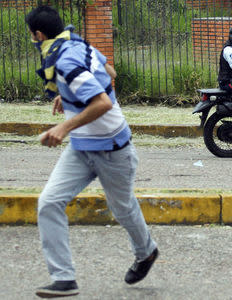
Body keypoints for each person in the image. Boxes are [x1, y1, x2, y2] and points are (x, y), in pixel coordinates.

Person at [26, 6, 158, 298]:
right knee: (49, 202)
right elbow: (108, 71)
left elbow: (102, 103)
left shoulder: (65, 60)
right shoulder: (76, 43)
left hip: (113, 150)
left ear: (38, 35)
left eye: (31, 37)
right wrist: (69, 93)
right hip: (82, 148)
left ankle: (146, 252)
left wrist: (63, 128)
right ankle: (64, 279)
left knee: (122, 208)